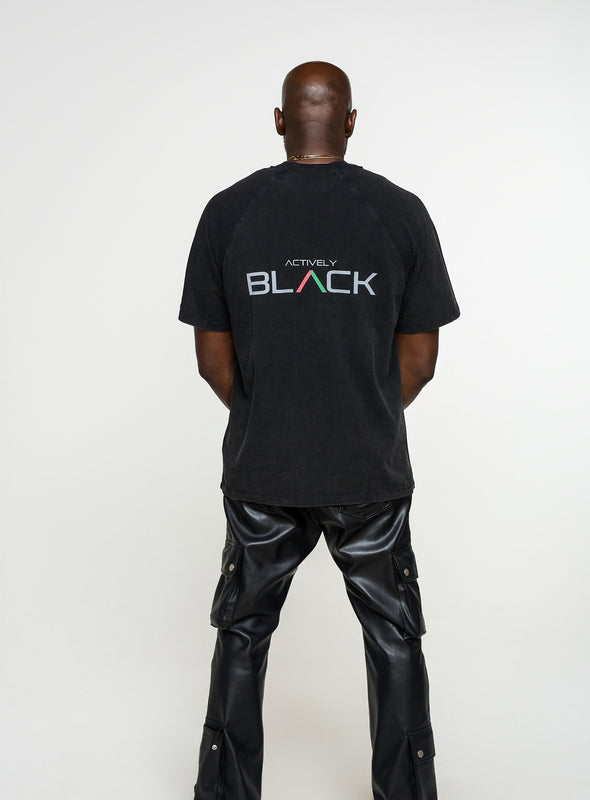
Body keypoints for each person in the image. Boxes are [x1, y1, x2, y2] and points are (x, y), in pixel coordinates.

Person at [178, 60, 460, 800]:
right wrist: (357, 414)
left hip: (261, 469)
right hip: (368, 472)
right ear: (351, 122)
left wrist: (272, 413)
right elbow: (421, 360)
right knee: (394, 637)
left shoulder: (228, 212)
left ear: (279, 121)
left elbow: (212, 360)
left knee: (241, 634)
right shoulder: (399, 212)